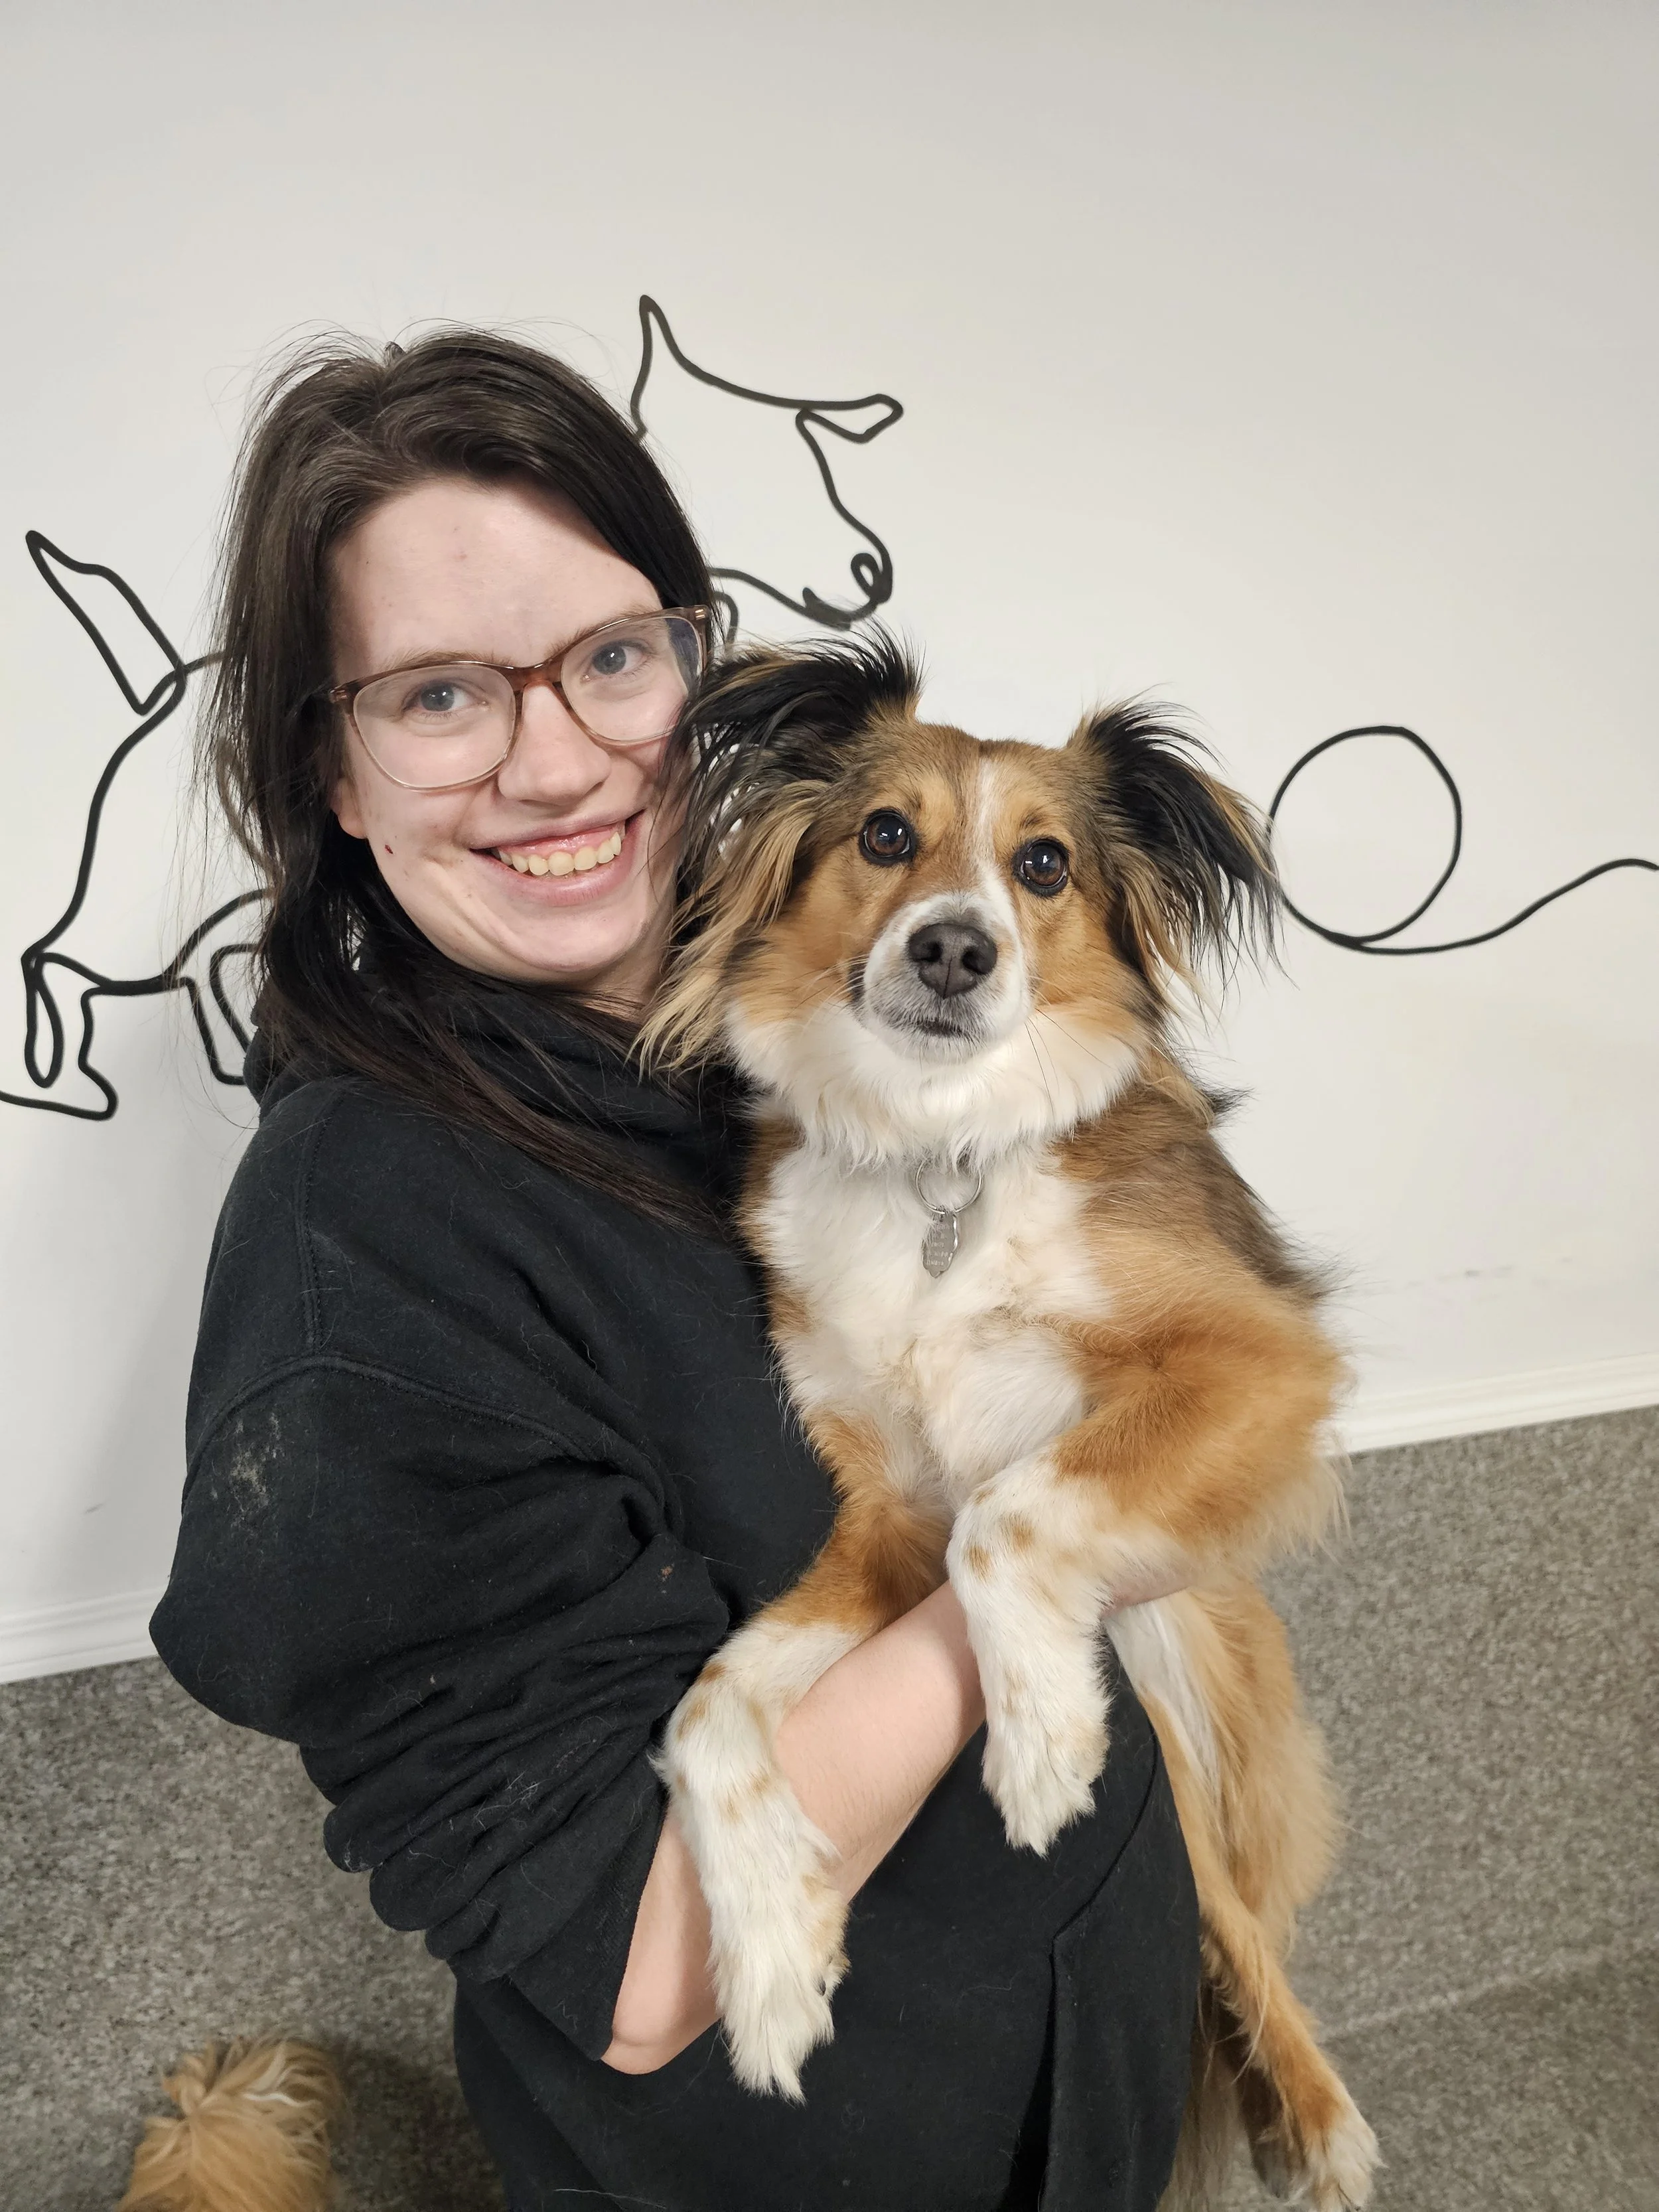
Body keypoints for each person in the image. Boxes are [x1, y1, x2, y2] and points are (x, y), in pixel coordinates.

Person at [145, 329, 1200, 2212]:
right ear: (333, 766)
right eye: (442, 695)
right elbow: (639, 1962)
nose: (560, 759)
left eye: (613, 658)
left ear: (696, 667)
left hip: (1081, 2086)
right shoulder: (366, 1235)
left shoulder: (814, 1040)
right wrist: (1067, 1550)